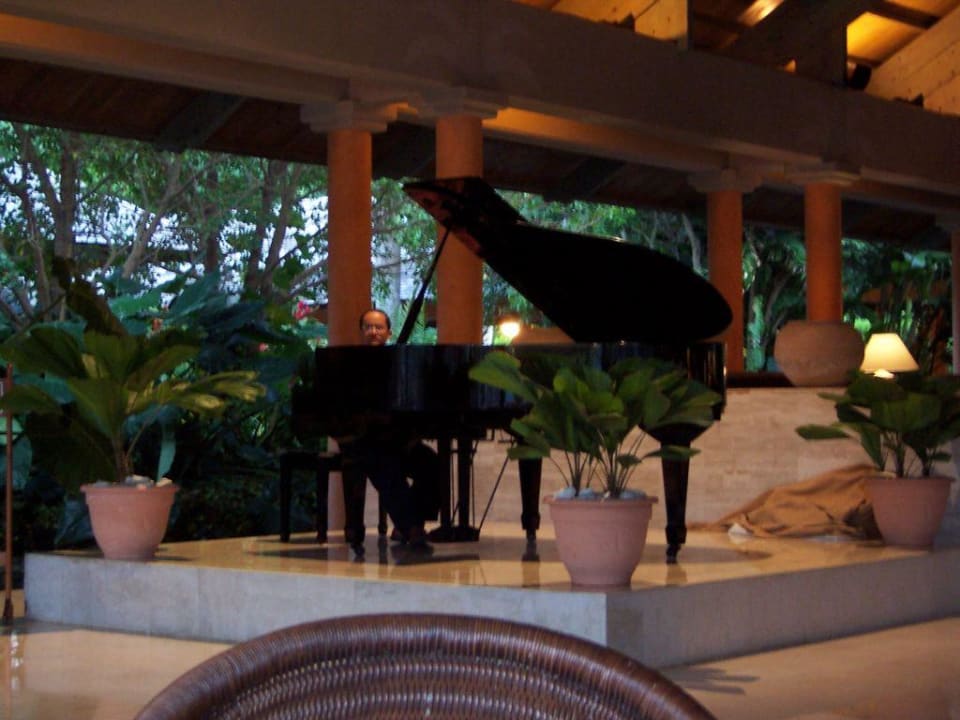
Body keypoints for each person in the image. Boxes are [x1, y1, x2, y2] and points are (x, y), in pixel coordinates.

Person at [340, 308, 443, 554]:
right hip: (364, 440)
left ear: (389, 332)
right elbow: (344, 408)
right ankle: (411, 528)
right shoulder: (348, 364)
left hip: (397, 439)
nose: (373, 332)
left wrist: (412, 434)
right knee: (386, 466)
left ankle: (412, 523)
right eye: (368, 327)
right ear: (361, 331)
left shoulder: (402, 364)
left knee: (432, 463)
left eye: (379, 327)